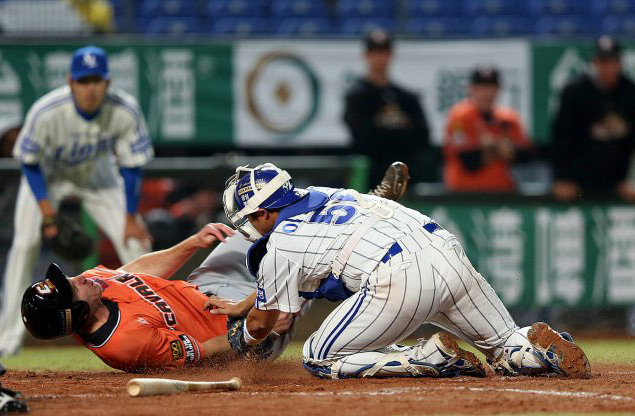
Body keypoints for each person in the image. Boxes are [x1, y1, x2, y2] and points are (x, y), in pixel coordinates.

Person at [208, 162, 591, 380]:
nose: (250, 227)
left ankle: (427, 358)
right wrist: (245, 304)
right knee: (504, 348)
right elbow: (274, 296)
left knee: (318, 356)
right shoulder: (332, 194)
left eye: (250, 218)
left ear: (263, 212)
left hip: (400, 277)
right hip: (446, 251)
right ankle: (535, 348)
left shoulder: (281, 243)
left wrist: (241, 338)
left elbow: (264, 324)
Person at [0, 45, 153, 357]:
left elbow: (133, 166)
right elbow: (29, 162)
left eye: (96, 80)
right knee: (25, 244)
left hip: (98, 174)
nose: (90, 88)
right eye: (83, 81)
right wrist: (47, 212)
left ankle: (154, 319)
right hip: (49, 176)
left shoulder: (124, 110)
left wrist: (131, 218)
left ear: (107, 82)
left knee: (137, 243)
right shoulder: (47, 111)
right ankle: (7, 338)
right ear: (70, 82)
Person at [188, 161, 411, 359]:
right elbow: (259, 328)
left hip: (212, 297)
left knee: (293, 251)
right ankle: (365, 209)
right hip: (244, 319)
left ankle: (364, 207)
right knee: (304, 264)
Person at [19, 223, 258, 372]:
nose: (78, 279)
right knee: (288, 271)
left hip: (206, 285)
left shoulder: (93, 287)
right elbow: (204, 352)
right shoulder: (127, 342)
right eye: (72, 288)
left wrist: (192, 243)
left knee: (260, 224)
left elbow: (132, 274)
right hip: (233, 325)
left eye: (69, 279)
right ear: (78, 313)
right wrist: (256, 324)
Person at [552, 35, 635, 201]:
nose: (608, 67)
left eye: (613, 61)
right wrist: (562, 178)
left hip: (619, 182)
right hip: (579, 182)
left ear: (620, 62)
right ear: (594, 62)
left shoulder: (630, 92)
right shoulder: (575, 92)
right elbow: (561, 137)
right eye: (603, 61)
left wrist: (632, 179)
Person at [343, 29, 430, 186]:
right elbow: (362, 139)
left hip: (403, 178)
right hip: (370, 178)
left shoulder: (406, 97)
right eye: (375, 52)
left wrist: (382, 129)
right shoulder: (357, 96)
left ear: (391, 55)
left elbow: (422, 137)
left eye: (384, 52)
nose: (380, 57)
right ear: (366, 55)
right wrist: (400, 131)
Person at [443, 65, 532, 192]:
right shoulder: (460, 117)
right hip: (464, 195)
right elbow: (469, 161)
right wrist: (500, 148)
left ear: (498, 89)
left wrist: (491, 148)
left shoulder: (509, 118)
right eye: (481, 87)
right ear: (471, 89)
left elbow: (526, 155)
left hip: (502, 192)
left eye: (491, 86)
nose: (487, 92)